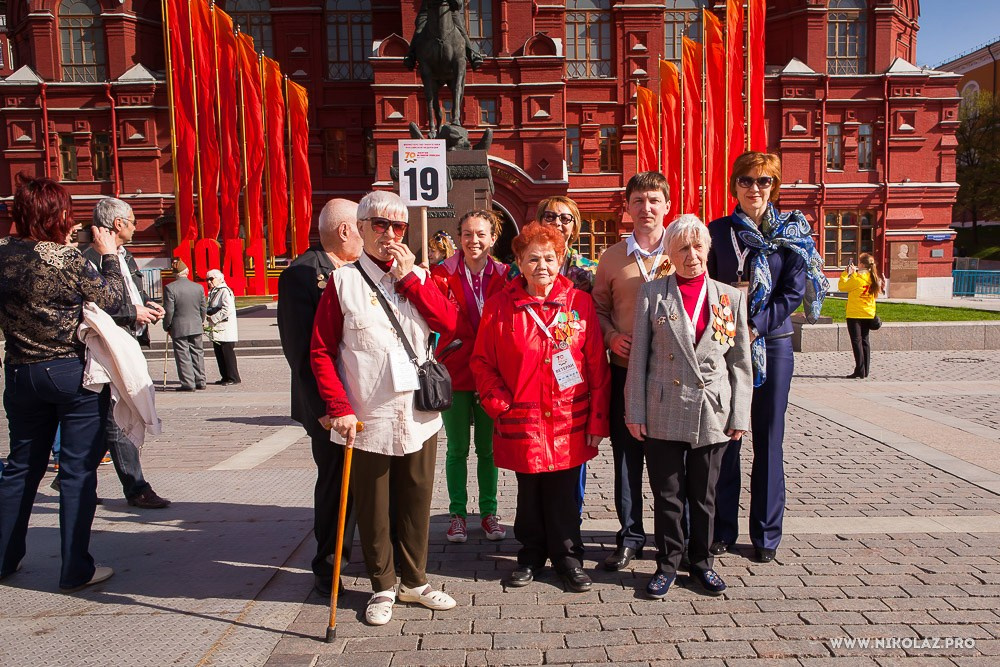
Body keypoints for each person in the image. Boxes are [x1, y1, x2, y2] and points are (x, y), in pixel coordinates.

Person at [310, 190, 459, 626]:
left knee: (416, 496)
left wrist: (412, 279)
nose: (390, 235)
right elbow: (320, 350)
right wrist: (337, 405)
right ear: (360, 228)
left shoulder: (418, 276)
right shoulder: (342, 281)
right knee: (373, 503)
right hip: (367, 411)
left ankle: (415, 581)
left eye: (399, 227)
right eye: (381, 225)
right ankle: (382, 585)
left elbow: (450, 323)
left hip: (418, 411)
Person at [471, 222, 611, 593]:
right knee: (529, 492)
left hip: (568, 420)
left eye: (549, 258)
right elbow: (482, 361)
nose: (542, 266)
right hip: (523, 418)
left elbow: (596, 364)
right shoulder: (501, 306)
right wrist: (496, 401)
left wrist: (599, 419)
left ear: (561, 259)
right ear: (518, 261)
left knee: (565, 493)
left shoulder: (579, 304)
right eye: (532, 258)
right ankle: (530, 555)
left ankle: (568, 558)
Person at [0, 175, 123, 591]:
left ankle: (4, 557)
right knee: (76, 470)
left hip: (19, 370)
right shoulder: (64, 258)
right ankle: (75, 568)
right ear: (56, 215)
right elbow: (114, 300)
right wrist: (107, 256)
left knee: (21, 467)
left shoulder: (1, 253)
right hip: (69, 373)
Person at [707, 151, 828, 563]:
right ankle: (722, 528)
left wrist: (755, 327)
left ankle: (766, 534)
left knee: (769, 440)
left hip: (772, 343)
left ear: (774, 187)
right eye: (746, 181)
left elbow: (792, 292)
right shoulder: (719, 231)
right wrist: (730, 331)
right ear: (734, 186)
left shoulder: (792, 232)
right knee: (726, 439)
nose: (754, 189)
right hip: (725, 346)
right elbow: (706, 284)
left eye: (763, 181)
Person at [625, 214, 752, 599]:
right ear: (670, 252)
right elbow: (639, 358)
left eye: (698, 246)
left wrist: (739, 414)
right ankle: (667, 562)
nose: (691, 255)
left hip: (712, 411)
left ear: (708, 249)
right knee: (667, 494)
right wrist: (635, 412)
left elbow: (740, 364)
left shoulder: (730, 297)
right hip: (663, 407)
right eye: (682, 247)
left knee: (704, 495)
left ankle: (701, 563)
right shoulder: (653, 294)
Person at [277, 198, 363, 597]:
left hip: (363, 399)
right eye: (363, 226)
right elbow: (299, 353)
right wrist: (325, 410)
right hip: (330, 407)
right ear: (345, 230)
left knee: (362, 483)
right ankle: (328, 567)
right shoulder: (303, 274)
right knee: (334, 485)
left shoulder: (357, 271)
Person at [592, 172, 673, 572]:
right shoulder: (611, 258)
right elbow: (597, 309)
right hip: (625, 373)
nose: (646, 208)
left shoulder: (681, 253)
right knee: (627, 459)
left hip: (670, 378)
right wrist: (609, 337)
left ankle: (670, 536)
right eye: (639, 201)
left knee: (669, 460)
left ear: (666, 206)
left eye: (654, 200)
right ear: (628, 208)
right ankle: (630, 536)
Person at [82, 197, 171, 510]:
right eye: (133, 221)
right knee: (118, 417)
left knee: (109, 418)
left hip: (127, 345)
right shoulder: (90, 257)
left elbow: (132, 293)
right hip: (105, 351)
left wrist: (146, 306)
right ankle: (136, 488)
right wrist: (132, 313)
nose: (136, 226)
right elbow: (98, 305)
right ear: (118, 224)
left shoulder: (125, 256)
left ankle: (73, 474)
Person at [430, 210, 509, 543]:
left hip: (491, 372)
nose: (473, 241)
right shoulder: (441, 274)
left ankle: (489, 513)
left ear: (493, 238)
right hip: (456, 372)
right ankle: (458, 514)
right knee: (457, 449)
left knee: (489, 449)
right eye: (466, 234)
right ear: (458, 237)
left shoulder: (506, 275)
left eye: (480, 234)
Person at [162, 259, 207, 392]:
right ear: (187, 272)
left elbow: (169, 310)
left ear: (175, 274)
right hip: (196, 325)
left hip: (179, 326)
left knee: (182, 354)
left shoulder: (170, 288)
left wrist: (167, 326)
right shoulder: (198, 287)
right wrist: (200, 320)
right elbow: (203, 308)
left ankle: (188, 383)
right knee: (198, 353)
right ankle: (201, 381)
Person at [403, 0, 484, 71]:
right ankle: (411, 56)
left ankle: (472, 55)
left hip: (450, 11)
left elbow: (458, 4)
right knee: (419, 29)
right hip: (427, 11)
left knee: (461, 29)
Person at [839, 252, 883, 379]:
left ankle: (859, 369)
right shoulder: (874, 278)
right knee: (865, 341)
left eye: (859, 262)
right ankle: (865, 370)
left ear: (862, 264)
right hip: (868, 313)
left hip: (855, 313)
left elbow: (842, 287)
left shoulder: (857, 279)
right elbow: (875, 296)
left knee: (856, 341)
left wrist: (846, 274)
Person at [205, 270, 241, 386]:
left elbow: (227, 309)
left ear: (220, 279)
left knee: (227, 353)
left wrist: (214, 318)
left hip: (224, 328)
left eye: (212, 279)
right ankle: (225, 376)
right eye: (208, 279)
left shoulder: (224, 291)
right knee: (219, 353)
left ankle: (233, 377)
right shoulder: (214, 291)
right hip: (217, 329)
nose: (209, 282)